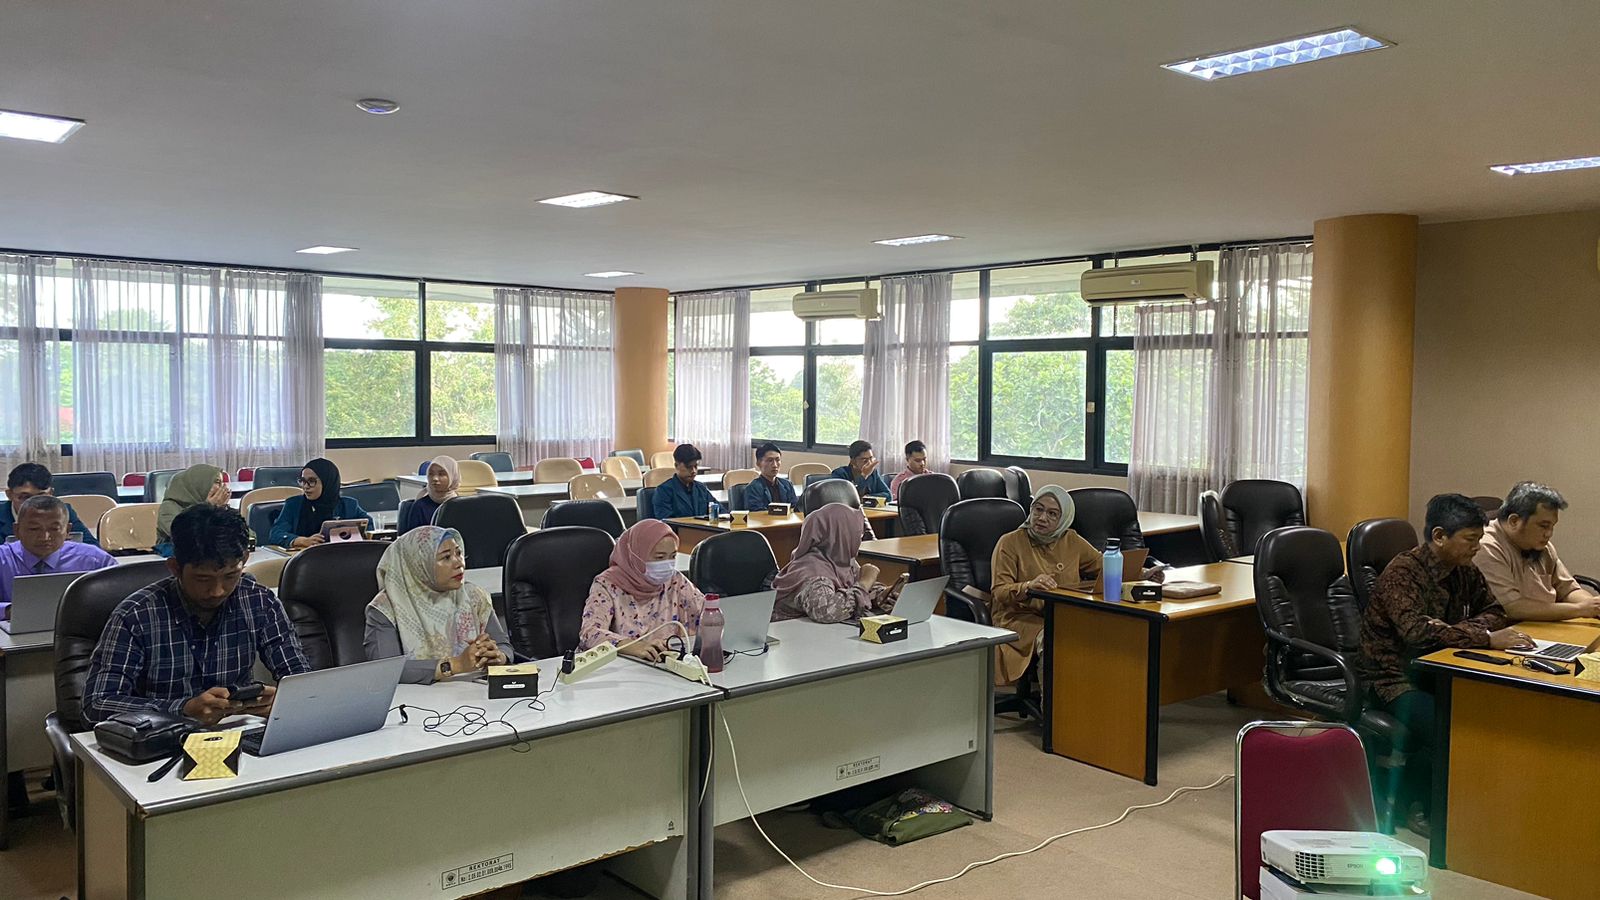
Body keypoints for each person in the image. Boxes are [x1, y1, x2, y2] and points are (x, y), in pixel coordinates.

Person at [1359, 493, 1534, 836]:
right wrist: (1483, 638)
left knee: (1490, 714)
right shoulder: (1403, 573)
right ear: (1439, 536)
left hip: (1439, 670)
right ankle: (1417, 804)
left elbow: (1495, 612)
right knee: (1448, 727)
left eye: (1479, 539)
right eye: (1470, 540)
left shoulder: (1463, 571)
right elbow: (1417, 634)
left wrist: (1457, 630)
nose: (1477, 548)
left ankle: (1461, 798)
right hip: (1391, 679)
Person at [82, 504, 310, 726]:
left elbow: (302, 680)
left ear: (244, 561)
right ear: (175, 568)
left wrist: (285, 700)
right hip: (161, 738)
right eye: (203, 579)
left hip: (236, 732)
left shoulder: (259, 601)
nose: (218, 591)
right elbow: (97, 704)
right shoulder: (136, 616)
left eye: (231, 576)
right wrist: (183, 709)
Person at [365, 526, 511, 684]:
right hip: (416, 697)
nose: (459, 563)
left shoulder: (473, 595)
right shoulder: (386, 607)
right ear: (419, 565)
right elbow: (387, 670)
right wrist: (456, 665)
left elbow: (504, 646)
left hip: (473, 692)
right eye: (446, 557)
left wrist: (497, 657)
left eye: (458, 553)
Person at [988, 486, 1102, 685]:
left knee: (1104, 634)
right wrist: (1028, 586)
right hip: (1019, 616)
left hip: (1063, 614)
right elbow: (999, 591)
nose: (1042, 518)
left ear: (1064, 519)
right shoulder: (1010, 542)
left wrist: (1144, 572)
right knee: (1054, 641)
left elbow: (1103, 564)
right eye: (1038, 509)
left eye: (1052, 514)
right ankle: (1051, 703)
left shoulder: (1071, 540)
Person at [578, 519, 705, 662]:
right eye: (660, 557)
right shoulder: (607, 584)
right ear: (636, 556)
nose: (668, 565)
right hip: (621, 666)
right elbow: (590, 632)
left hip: (663, 665)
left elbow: (706, 612)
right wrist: (632, 646)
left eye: (673, 556)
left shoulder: (675, 580)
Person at [1474, 481, 1600, 622]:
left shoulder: (1541, 546)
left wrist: (1594, 607)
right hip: (1510, 628)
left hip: (1545, 625)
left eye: (1552, 526)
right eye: (1543, 526)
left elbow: (1569, 590)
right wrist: (1580, 609)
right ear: (1514, 521)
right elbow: (1513, 608)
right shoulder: (1485, 546)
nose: (1549, 534)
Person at [773, 502, 891, 623]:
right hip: (788, 631)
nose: (859, 540)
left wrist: (884, 594)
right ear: (841, 536)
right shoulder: (811, 570)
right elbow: (826, 612)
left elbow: (855, 590)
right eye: (856, 535)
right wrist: (865, 583)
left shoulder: (840, 561)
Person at [0, 495, 115, 606]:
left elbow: (119, 598)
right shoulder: (3, 559)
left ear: (67, 531)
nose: (44, 537)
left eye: (54, 529)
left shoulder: (94, 560)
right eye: (34, 529)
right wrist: (8, 610)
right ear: (17, 530)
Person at [269, 457, 374, 549]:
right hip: (303, 558)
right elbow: (276, 533)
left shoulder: (349, 505)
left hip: (341, 556)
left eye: (311, 481)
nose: (305, 486)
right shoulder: (293, 504)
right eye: (302, 481)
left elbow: (369, 525)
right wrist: (301, 540)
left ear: (327, 482)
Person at [1, 463, 100, 547]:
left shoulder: (62, 511)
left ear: (51, 493)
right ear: (9, 495)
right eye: (25, 497)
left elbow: (93, 547)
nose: (34, 505)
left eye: (41, 497)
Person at [153, 464, 232, 558]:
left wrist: (223, 510)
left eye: (222, 483)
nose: (222, 487)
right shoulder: (169, 507)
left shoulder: (217, 506)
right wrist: (207, 507)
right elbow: (187, 535)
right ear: (200, 484)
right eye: (217, 482)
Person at [650, 443, 716, 520]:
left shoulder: (701, 488)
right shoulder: (663, 491)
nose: (693, 471)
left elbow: (719, 512)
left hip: (703, 527)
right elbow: (666, 522)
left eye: (695, 466)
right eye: (689, 467)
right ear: (676, 466)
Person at [400, 456, 459, 534]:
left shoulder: (460, 505)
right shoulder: (420, 506)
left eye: (441, 474)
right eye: (431, 474)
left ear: (453, 476)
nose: (435, 478)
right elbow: (413, 538)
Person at [743, 442, 797, 510]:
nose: (775, 465)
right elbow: (756, 512)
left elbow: (795, 509)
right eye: (770, 460)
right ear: (758, 463)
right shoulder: (753, 488)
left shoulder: (787, 484)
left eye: (777, 460)